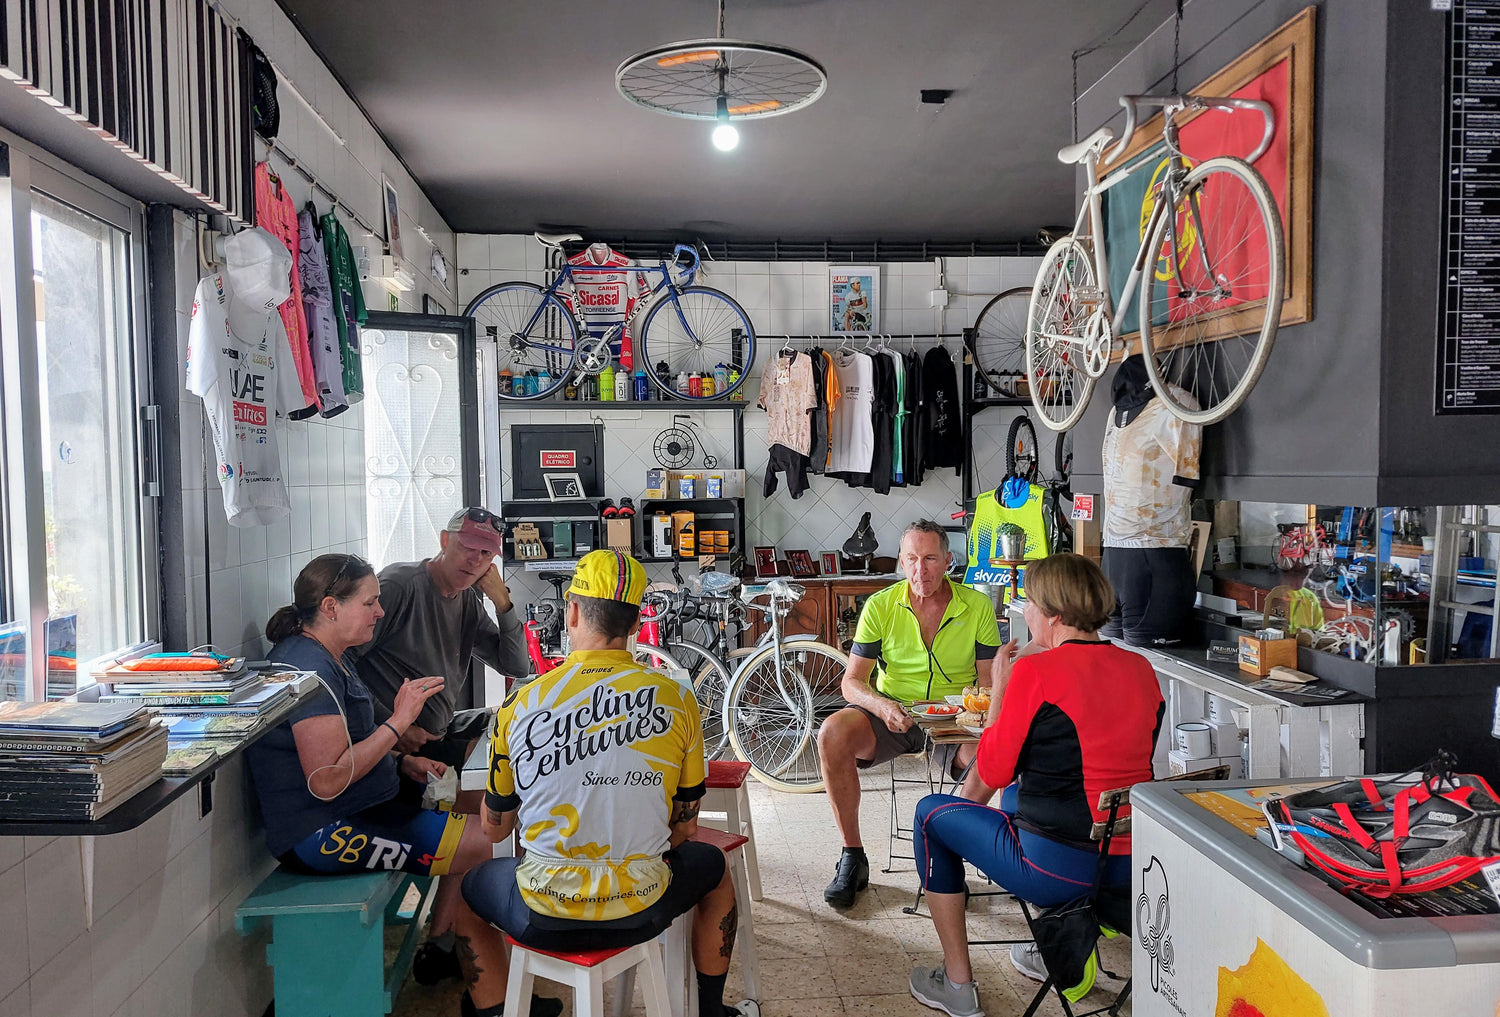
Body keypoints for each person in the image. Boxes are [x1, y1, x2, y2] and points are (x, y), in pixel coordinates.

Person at [247, 553, 562, 1017]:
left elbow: (348, 741)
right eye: (370, 602)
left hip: (368, 804)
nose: (379, 611)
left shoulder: (326, 654)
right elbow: (326, 780)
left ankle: (456, 957)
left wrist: (403, 760)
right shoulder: (306, 670)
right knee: (495, 844)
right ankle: (490, 996)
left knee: (486, 814)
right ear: (331, 607)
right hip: (324, 832)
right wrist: (398, 724)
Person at [461, 550, 757, 1017]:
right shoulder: (678, 698)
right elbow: (684, 830)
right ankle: (711, 1011)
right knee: (714, 872)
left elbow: (496, 830)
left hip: (542, 908)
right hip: (644, 905)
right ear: (638, 620)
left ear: (573, 611)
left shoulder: (519, 706)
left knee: (467, 894)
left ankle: (500, 1011)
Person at [906, 554, 1164, 1017]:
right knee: (1019, 796)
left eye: (1029, 603)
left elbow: (995, 767)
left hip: (1061, 870)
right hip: (1134, 866)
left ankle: (958, 985)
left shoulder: (1035, 671)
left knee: (930, 814)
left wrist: (1002, 684)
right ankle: (1067, 934)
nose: (1024, 612)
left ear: (1054, 615)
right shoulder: (1141, 668)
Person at [354, 506, 531, 981]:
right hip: (393, 746)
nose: (474, 559)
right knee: (491, 821)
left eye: (486, 553)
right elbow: (342, 668)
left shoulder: (470, 600)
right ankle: (450, 939)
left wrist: (504, 603)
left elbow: (517, 666)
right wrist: (390, 725)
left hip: (439, 728)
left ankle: (445, 937)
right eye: (467, 546)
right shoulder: (399, 586)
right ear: (443, 539)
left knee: (500, 761)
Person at [815, 520, 1003, 909]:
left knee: (995, 755)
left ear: (949, 560)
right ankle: (852, 856)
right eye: (912, 559)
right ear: (901, 562)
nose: (921, 570)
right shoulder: (880, 606)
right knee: (832, 732)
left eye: (931, 558)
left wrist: (978, 714)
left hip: (956, 718)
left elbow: (987, 686)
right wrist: (882, 706)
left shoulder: (978, 606)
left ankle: (949, 851)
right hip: (893, 712)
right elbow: (851, 682)